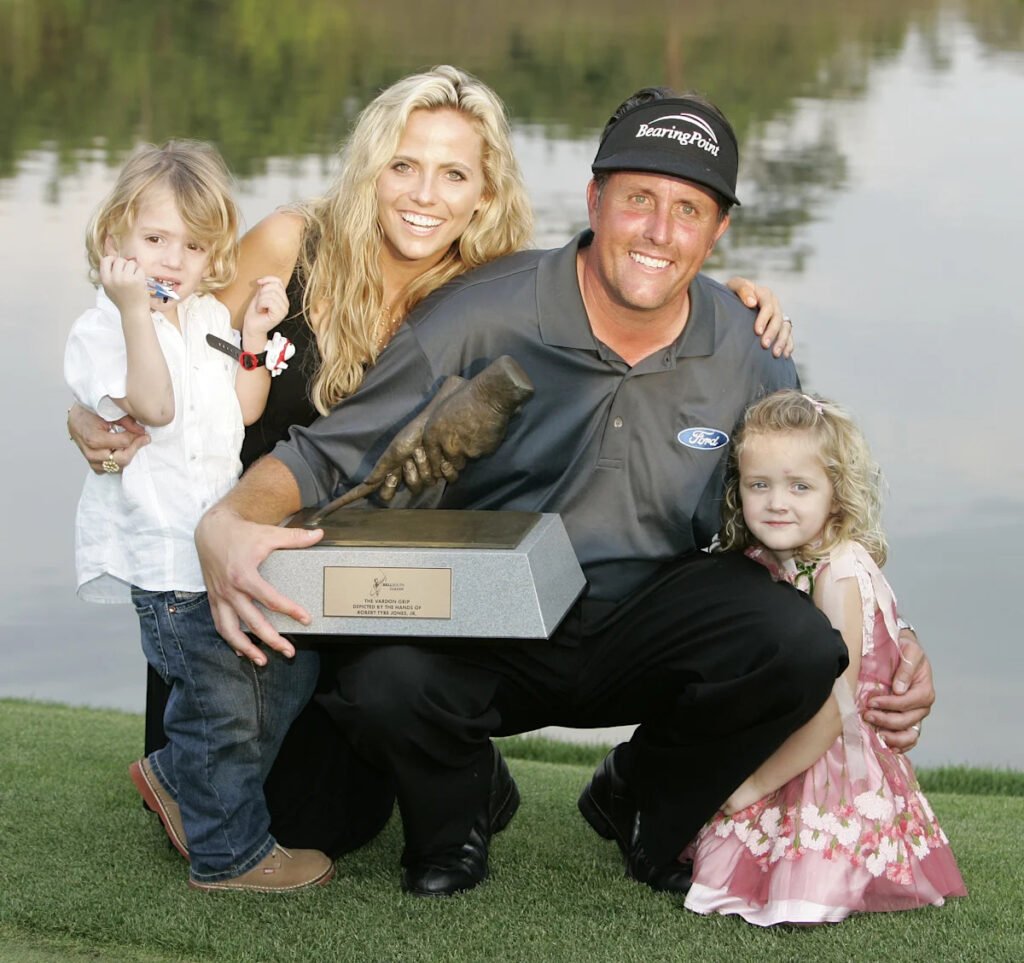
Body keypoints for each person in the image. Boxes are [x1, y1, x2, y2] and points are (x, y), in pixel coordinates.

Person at [193, 86, 936, 899]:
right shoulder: (480, 312)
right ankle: (457, 816)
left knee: (799, 646)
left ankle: (645, 798)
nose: (659, 230)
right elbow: (329, 453)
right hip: (491, 614)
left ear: (717, 231)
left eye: (688, 210)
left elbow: (811, 512)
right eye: (639, 199)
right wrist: (229, 520)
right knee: (374, 687)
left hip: (650, 614)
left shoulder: (751, 348)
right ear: (594, 201)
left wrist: (890, 637)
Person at [66, 69, 795, 852]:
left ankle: (450, 754)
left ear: (485, 192)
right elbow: (162, 321)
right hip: (242, 562)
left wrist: (716, 296)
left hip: (374, 592)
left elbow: (619, 280)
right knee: (230, 792)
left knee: (328, 821)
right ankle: (244, 753)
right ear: (370, 167)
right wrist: (88, 413)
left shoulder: (489, 293)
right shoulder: (290, 244)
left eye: (454, 174)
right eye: (404, 165)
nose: (425, 194)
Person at [64, 140, 334, 892]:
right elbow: (153, 406)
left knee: (292, 666)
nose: (173, 259)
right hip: (165, 561)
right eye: (155, 239)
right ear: (115, 236)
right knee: (219, 708)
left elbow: (243, 410)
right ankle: (229, 856)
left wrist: (254, 339)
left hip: (218, 554)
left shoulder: (209, 312)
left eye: (194, 245)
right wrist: (135, 312)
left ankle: (177, 775)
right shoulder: (104, 328)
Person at [683, 390, 966, 924]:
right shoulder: (767, 556)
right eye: (759, 485)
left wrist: (754, 786)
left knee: (786, 855)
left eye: (800, 486)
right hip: (792, 727)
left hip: (835, 749)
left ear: (835, 496)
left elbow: (838, 708)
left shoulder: (838, 573)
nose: (777, 502)